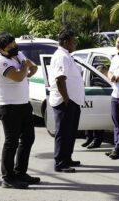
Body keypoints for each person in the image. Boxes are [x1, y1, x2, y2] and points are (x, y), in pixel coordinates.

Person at [0, 32, 40, 189]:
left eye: (14, 45)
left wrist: (26, 68)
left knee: (28, 139)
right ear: (1, 49)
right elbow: (19, 77)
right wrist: (25, 67)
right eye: (10, 47)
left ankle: (20, 172)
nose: (14, 48)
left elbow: (34, 69)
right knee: (11, 142)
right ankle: (8, 177)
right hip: (9, 106)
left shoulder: (17, 53)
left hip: (24, 104)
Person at [49, 29, 84, 173]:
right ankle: (60, 163)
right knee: (63, 133)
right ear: (65, 42)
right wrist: (66, 99)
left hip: (72, 101)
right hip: (65, 102)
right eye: (73, 41)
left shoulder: (66, 55)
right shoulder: (61, 56)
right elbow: (60, 79)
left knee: (70, 132)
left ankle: (67, 158)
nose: (75, 43)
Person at [81, 66, 107, 149]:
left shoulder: (106, 80)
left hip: (102, 101)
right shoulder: (94, 80)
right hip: (93, 100)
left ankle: (96, 140)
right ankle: (89, 138)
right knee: (90, 119)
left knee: (98, 122)